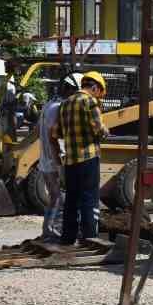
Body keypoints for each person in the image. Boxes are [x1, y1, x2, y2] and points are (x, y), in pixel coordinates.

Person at [56, 71, 108, 246]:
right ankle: (89, 237)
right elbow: (99, 130)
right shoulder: (90, 102)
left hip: (70, 160)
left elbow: (57, 133)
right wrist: (106, 131)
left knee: (71, 199)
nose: (98, 97)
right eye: (99, 93)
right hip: (88, 157)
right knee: (89, 198)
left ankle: (67, 238)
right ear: (94, 87)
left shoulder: (65, 103)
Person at [36, 74, 78, 241]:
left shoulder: (49, 105)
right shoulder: (59, 108)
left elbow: (39, 131)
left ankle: (48, 231)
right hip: (54, 161)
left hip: (46, 159)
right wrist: (60, 166)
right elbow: (55, 139)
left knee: (54, 197)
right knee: (60, 197)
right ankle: (54, 233)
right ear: (69, 89)